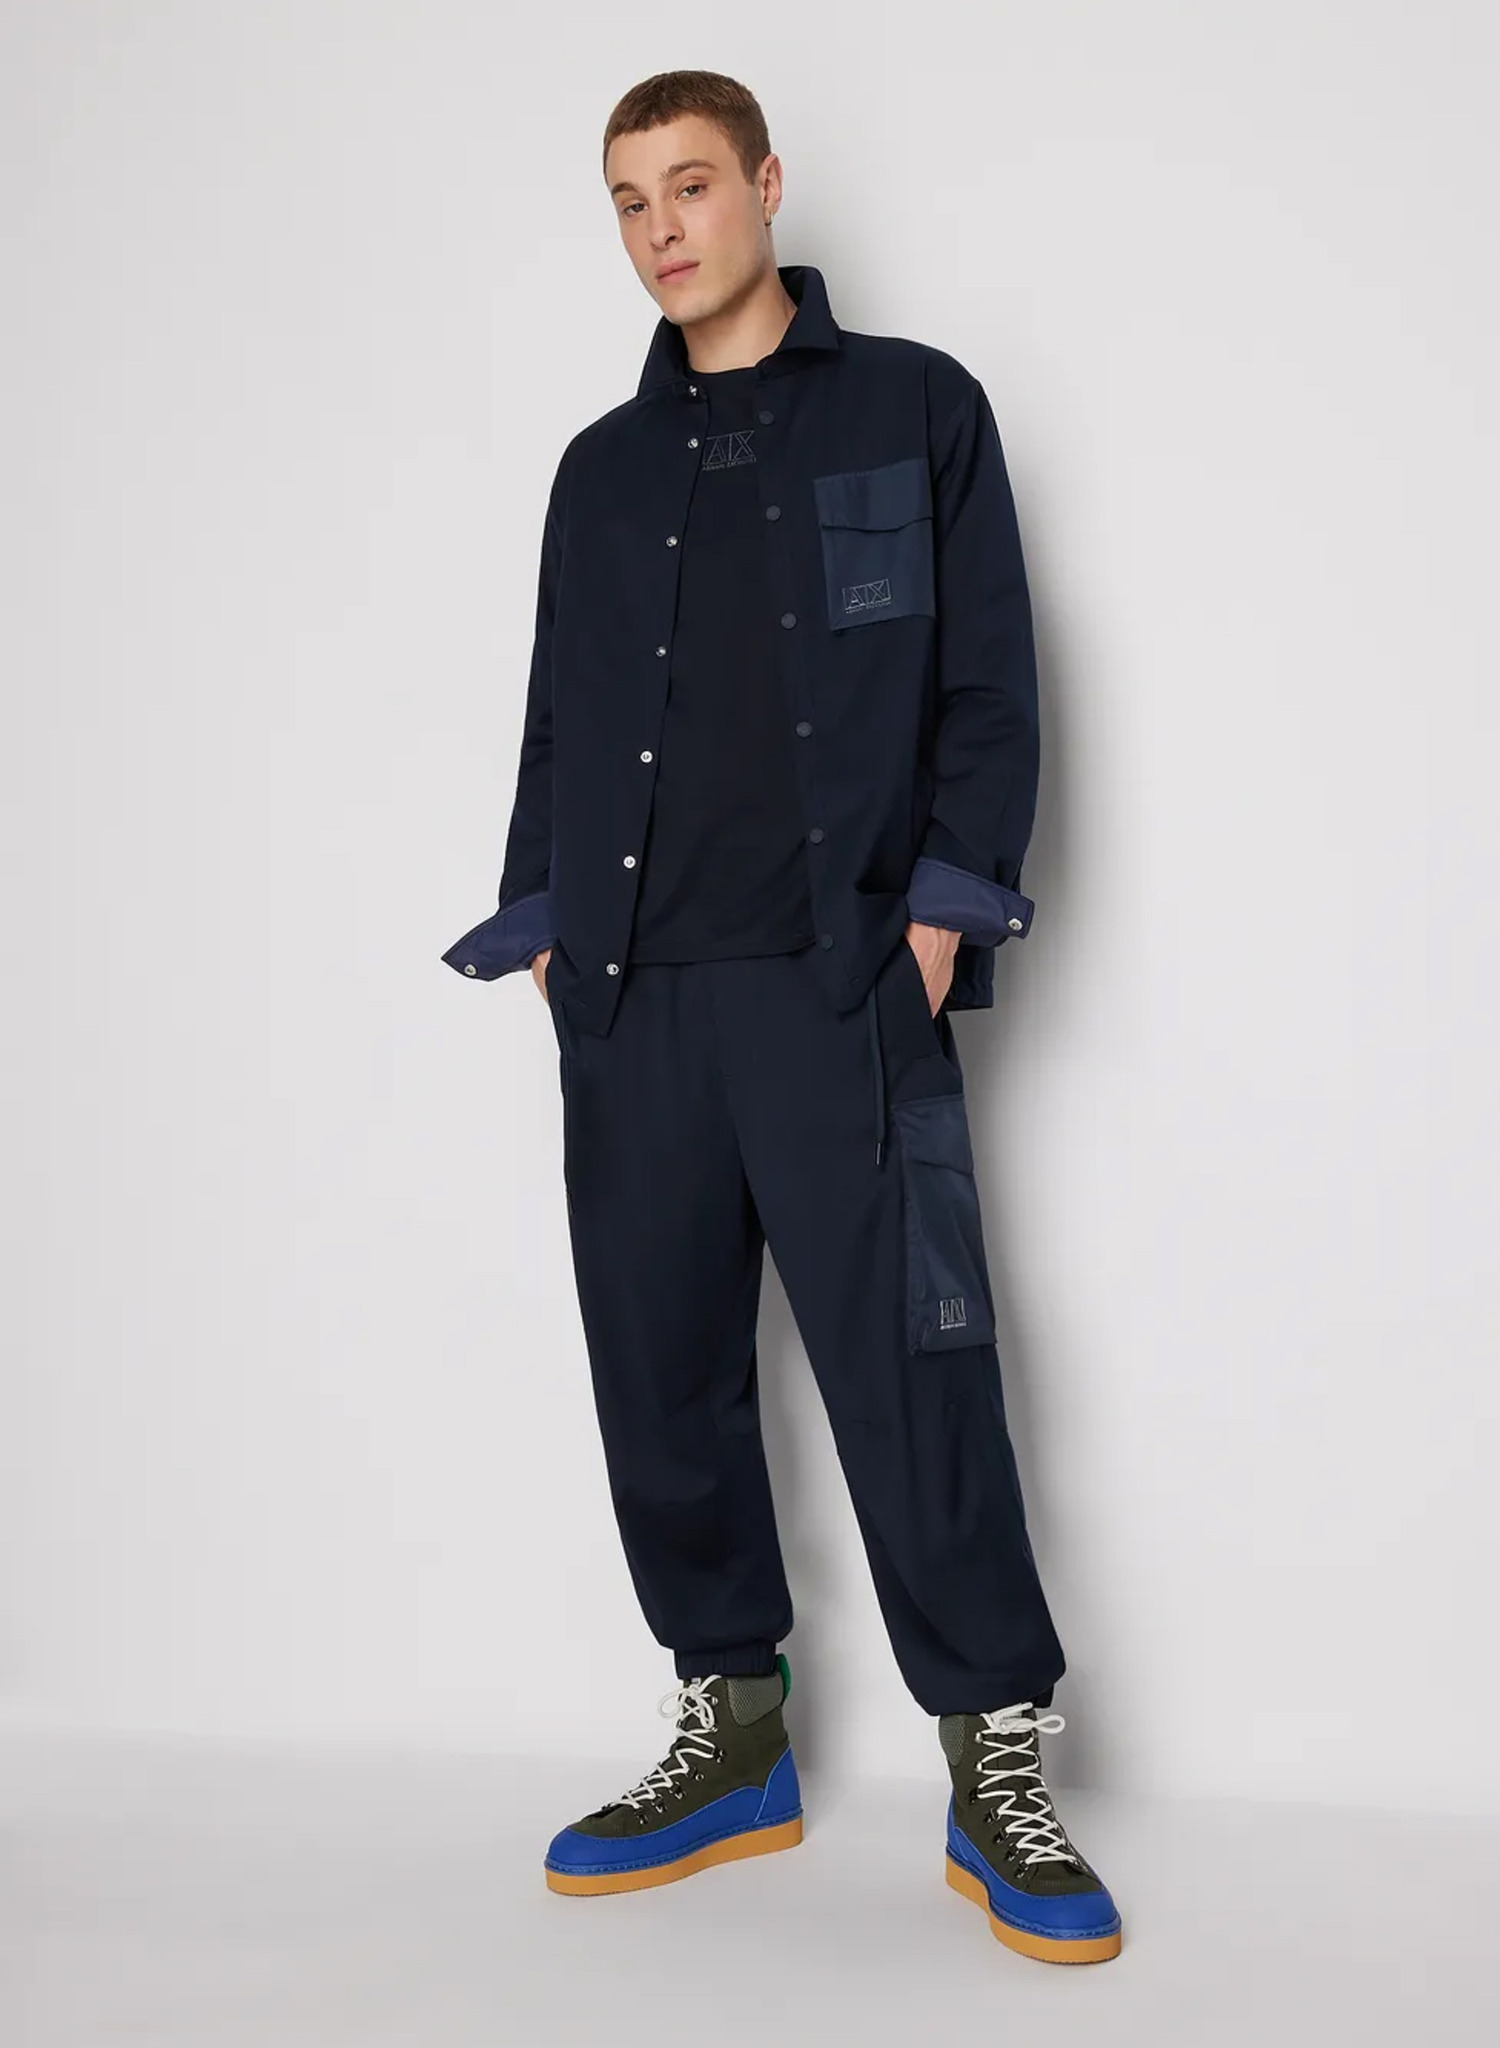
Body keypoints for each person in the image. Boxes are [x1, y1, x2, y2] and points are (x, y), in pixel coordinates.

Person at [442, 68, 1122, 1965]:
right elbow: (559, 718)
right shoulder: (598, 471)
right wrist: (551, 930)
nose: (660, 229)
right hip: (634, 999)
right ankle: (730, 1730)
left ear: (764, 186)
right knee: (657, 1371)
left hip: (841, 988)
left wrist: (943, 917)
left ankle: (997, 1754)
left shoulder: (918, 407)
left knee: (916, 1372)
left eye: (688, 187)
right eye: (627, 201)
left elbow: (992, 681)